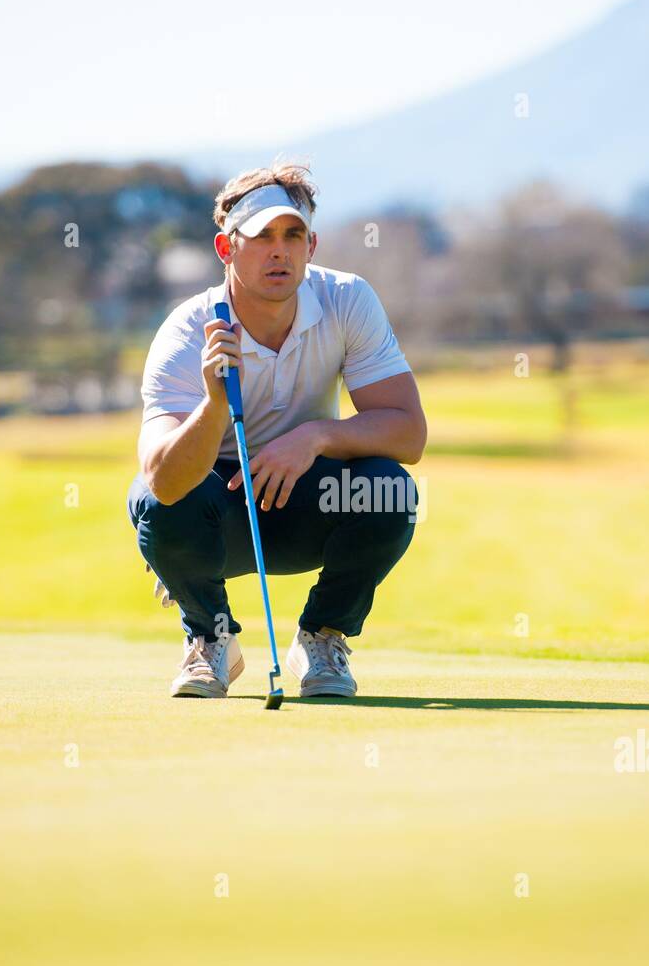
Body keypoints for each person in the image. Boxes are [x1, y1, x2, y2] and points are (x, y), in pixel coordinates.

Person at [127, 160, 427, 699]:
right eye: (261, 236)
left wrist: (314, 436)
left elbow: (408, 434)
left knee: (388, 488)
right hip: (217, 515)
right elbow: (163, 480)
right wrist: (216, 403)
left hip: (308, 503)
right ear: (226, 249)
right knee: (158, 503)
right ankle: (211, 639)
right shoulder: (187, 329)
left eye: (292, 235)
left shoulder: (347, 300)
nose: (279, 251)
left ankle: (322, 635)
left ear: (311, 246)